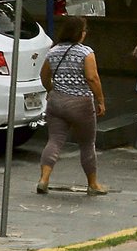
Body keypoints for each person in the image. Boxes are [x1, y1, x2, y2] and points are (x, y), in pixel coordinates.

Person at [37, 16, 108, 196]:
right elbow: (92, 78)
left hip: (57, 102)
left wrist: (52, 90)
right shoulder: (86, 53)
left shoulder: (53, 51)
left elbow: (44, 76)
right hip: (80, 103)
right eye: (84, 30)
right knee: (86, 143)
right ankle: (93, 184)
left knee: (54, 140)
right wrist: (100, 100)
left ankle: (44, 179)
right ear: (79, 33)